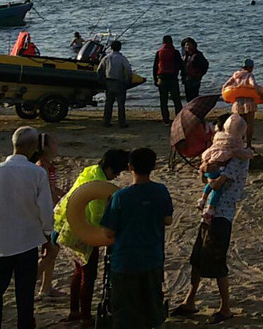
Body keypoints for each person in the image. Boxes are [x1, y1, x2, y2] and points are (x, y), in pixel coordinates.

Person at [0, 126, 54, 329]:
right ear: (33, 146)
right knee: (24, 295)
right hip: (27, 241)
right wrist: (47, 234)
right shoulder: (37, 173)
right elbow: (44, 208)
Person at [172, 115, 251, 324]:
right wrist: (205, 168)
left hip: (221, 216)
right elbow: (207, 179)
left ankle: (225, 308)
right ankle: (190, 300)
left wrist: (210, 171)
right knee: (197, 259)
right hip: (209, 214)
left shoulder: (239, 158)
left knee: (217, 262)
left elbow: (218, 184)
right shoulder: (224, 154)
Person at [54, 149, 131, 327]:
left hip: (69, 227)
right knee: (88, 276)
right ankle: (86, 316)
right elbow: (98, 216)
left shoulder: (89, 171)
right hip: (85, 233)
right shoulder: (99, 184)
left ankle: (74, 311)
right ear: (110, 168)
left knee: (77, 271)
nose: (117, 176)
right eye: (117, 172)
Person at [99, 148, 172, 329]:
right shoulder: (161, 191)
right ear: (153, 167)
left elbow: (108, 232)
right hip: (152, 259)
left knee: (125, 312)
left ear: (130, 167)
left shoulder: (120, 197)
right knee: (152, 309)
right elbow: (168, 220)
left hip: (125, 262)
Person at [198, 114, 254, 223]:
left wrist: (206, 171)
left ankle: (203, 200)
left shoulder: (217, 147)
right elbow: (217, 184)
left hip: (211, 212)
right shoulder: (240, 156)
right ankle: (208, 206)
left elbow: (207, 181)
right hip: (224, 213)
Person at [34, 132, 65, 300]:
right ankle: (30, 283)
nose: (57, 145)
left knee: (52, 251)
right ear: (45, 147)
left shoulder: (48, 166)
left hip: (52, 212)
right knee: (51, 252)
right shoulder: (41, 168)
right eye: (54, 143)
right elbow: (45, 192)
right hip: (46, 215)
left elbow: (52, 188)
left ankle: (46, 288)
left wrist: (65, 195)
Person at [223, 60, 263, 145]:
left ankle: (239, 144)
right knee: (249, 124)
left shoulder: (236, 75)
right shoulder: (249, 75)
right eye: (252, 67)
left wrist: (225, 97)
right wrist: (260, 94)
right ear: (249, 67)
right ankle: (248, 144)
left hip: (238, 102)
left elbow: (225, 86)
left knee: (239, 125)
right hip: (249, 102)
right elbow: (253, 85)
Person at [97, 40, 133, 128]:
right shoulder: (122, 58)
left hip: (109, 82)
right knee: (121, 104)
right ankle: (122, 122)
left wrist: (101, 80)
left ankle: (106, 121)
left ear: (111, 48)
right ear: (120, 48)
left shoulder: (106, 58)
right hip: (119, 82)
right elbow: (128, 70)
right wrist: (128, 80)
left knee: (108, 103)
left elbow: (99, 70)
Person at [152, 35, 184, 124]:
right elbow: (181, 65)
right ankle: (178, 119)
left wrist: (155, 79)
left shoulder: (159, 52)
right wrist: (183, 76)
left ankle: (166, 120)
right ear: (172, 42)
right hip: (173, 78)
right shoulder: (175, 52)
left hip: (162, 79)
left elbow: (155, 67)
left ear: (163, 43)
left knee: (163, 100)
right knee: (176, 100)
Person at [181, 37, 210, 102]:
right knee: (188, 97)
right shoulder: (185, 56)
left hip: (194, 79)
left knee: (194, 97)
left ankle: (194, 110)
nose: (187, 46)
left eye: (188, 44)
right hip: (186, 79)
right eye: (186, 45)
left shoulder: (198, 55)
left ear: (193, 45)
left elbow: (205, 65)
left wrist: (200, 74)